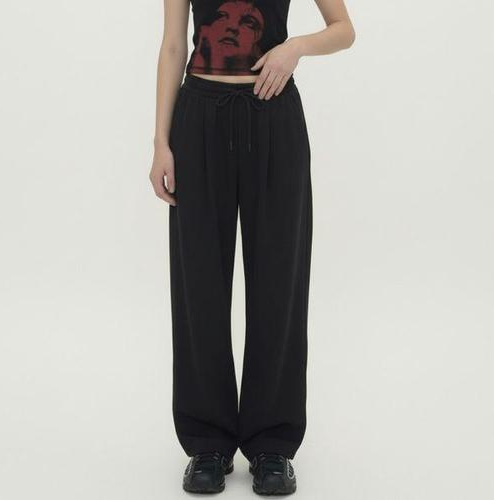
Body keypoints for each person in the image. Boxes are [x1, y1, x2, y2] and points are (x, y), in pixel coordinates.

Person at [149, 0, 355, 495]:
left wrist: (295, 48)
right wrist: (161, 141)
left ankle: (272, 444)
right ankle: (208, 442)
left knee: (279, 281)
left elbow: (344, 29)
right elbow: (174, 45)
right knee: (199, 281)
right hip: (198, 118)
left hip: (274, 115)